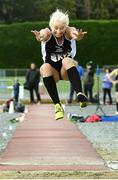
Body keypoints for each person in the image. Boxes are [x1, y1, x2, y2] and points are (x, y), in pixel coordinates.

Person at [31, 9, 88, 120]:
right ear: (51, 27)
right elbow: (42, 34)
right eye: (55, 28)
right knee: (44, 67)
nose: (58, 31)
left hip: (66, 71)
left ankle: (80, 94)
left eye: (61, 28)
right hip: (54, 73)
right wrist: (40, 37)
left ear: (65, 26)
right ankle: (57, 106)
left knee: (67, 60)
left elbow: (74, 33)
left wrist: (78, 37)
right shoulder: (47, 32)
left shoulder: (68, 31)